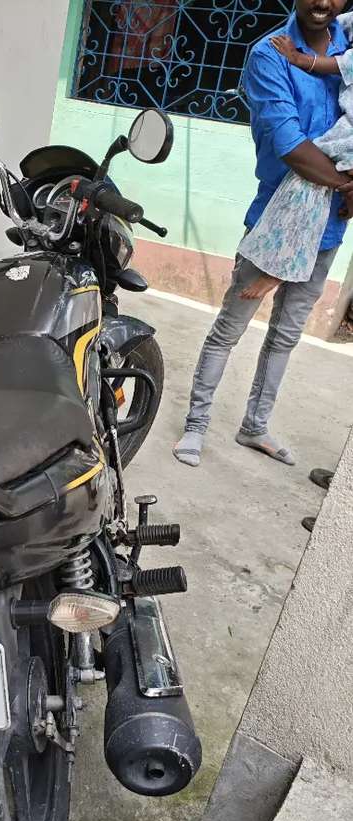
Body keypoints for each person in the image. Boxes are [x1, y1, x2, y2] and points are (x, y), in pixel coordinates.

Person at [174, 0, 353, 469]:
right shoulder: (270, 53)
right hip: (277, 221)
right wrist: (346, 184)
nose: (323, 2)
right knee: (230, 328)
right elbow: (290, 145)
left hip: (329, 226)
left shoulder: (348, 44)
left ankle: (255, 426)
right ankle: (196, 424)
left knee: (286, 335)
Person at [239, 18, 353, 298]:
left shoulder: (340, 43)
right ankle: (274, 271)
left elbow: (337, 64)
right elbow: (293, 148)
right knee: (311, 173)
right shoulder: (268, 54)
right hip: (275, 210)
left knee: (310, 176)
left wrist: (299, 58)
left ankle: (275, 272)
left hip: (332, 220)